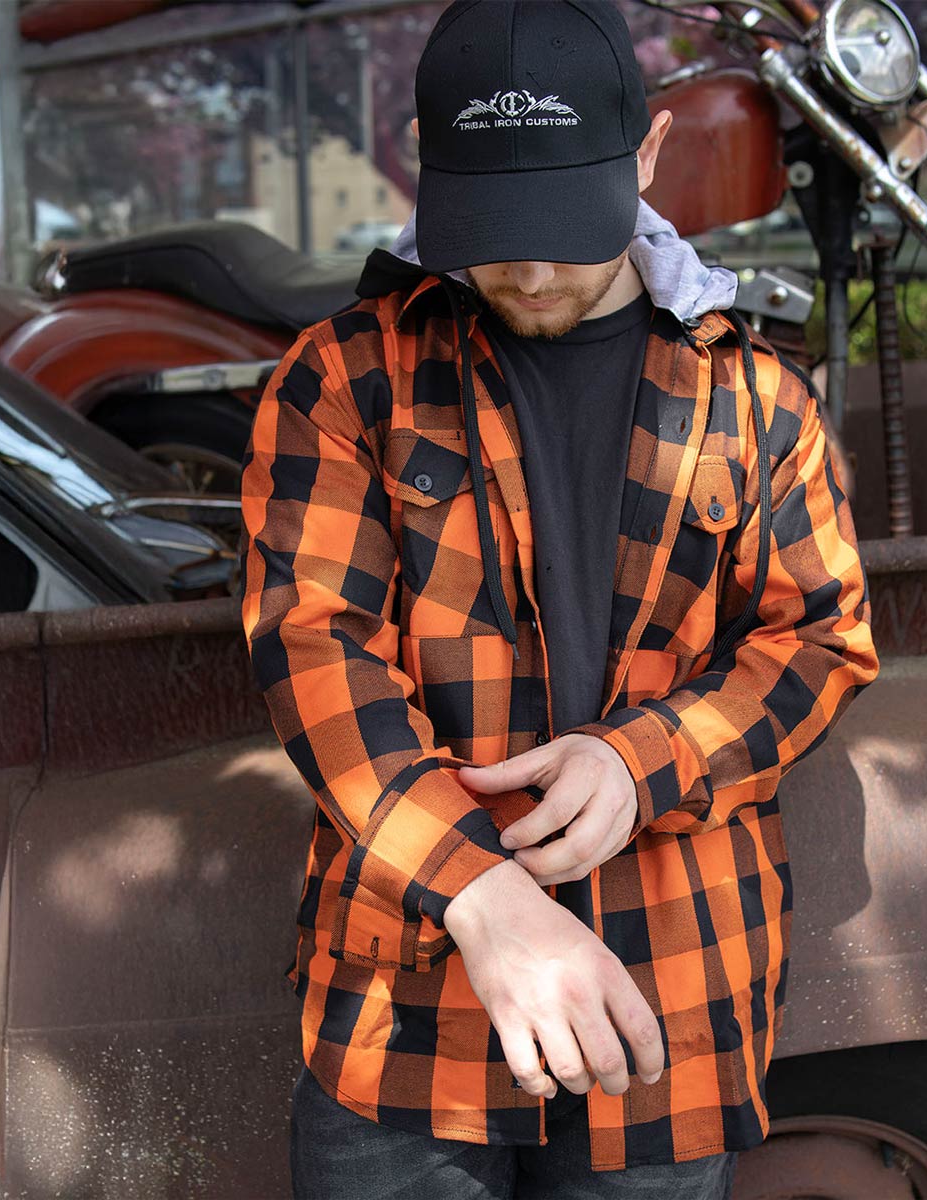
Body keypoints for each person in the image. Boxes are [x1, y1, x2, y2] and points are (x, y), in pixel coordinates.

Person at [239, 2, 880, 1196]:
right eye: (494, 231)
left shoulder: (757, 399)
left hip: (669, 996)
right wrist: (480, 892)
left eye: (563, 231)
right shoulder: (347, 379)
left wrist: (644, 763)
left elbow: (819, 638)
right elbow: (317, 650)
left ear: (649, 154)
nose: (530, 272)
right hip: (411, 1008)